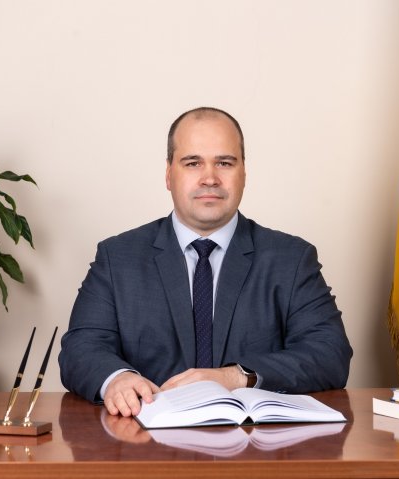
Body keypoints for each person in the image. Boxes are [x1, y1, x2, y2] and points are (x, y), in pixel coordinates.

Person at [59, 107, 352, 417]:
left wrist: (237, 377)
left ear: (243, 173)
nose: (210, 178)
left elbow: (330, 353)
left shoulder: (291, 259)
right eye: (192, 163)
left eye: (224, 163)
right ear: (169, 174)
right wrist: (117, 379)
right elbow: (81, 347)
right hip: (144, 439)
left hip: (253, 442)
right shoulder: (117, 257)